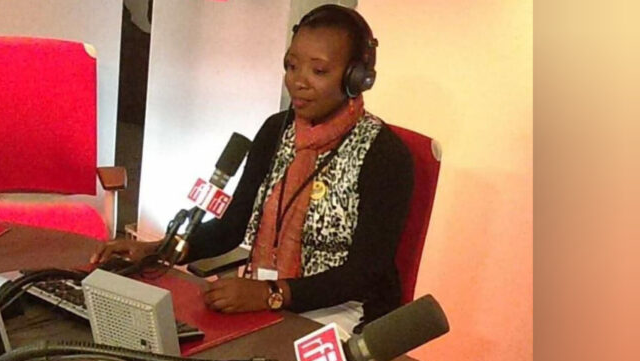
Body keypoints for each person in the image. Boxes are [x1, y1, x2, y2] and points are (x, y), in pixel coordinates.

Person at [91, 5, 413, 333]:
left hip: (345, 312)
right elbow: (231, 227)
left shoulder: (385, 155)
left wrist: (271, 294)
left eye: (318, 71)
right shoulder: (276, 130)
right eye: (291, 65)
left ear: (356, 79)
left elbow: (364, 273)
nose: (297, 81)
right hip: (271, 294)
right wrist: (156, 251)